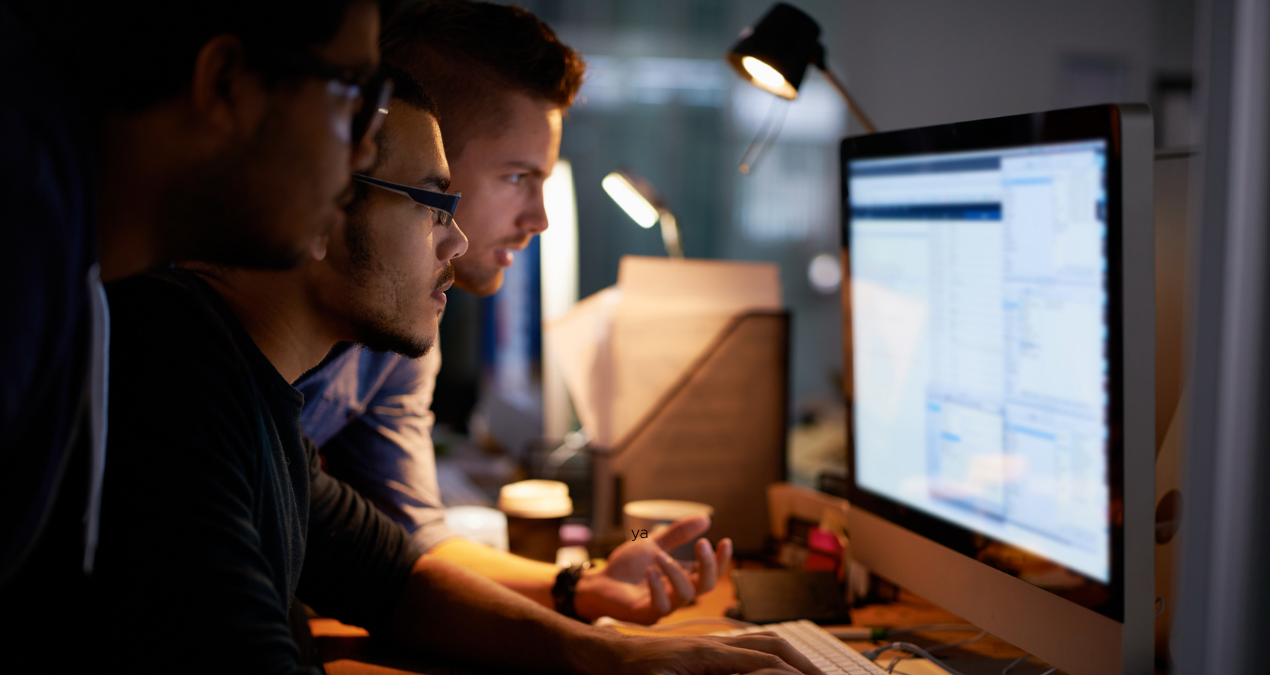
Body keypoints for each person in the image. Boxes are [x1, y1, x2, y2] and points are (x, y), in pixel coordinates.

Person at [44, 70, 820, 674]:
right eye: (430, 205)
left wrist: (606, 651)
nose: (455, 243)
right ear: (322, 203)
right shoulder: (172, 378)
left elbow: (394, 576)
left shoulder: (248, 386)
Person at [295, 0, 729, 626]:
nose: (539, 220)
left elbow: (413, 540)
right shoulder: (211, 334)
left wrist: (581, 586)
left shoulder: (405, 330)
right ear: (417, 148)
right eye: (517, 177)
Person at [0, 0, 389, 586]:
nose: (362, 152)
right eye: (354, 95)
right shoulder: (21, 216)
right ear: (225, 81)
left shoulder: (69, 242)